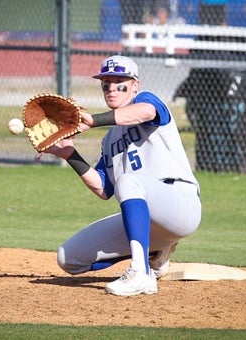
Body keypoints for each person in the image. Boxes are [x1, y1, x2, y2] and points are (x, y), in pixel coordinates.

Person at [44, 55, 202, 296]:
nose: (111, 88)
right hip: (147, 219)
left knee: (129, 180)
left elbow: (145, 112)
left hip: (180, 204)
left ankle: (141, 274)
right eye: (105, 83)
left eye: (120, 82)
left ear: (135, 84)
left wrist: (93, 120)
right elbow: (103, 189)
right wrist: (69, 153)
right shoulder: (109, 140)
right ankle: (155, 253)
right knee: (68, 258)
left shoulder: (147, 100)